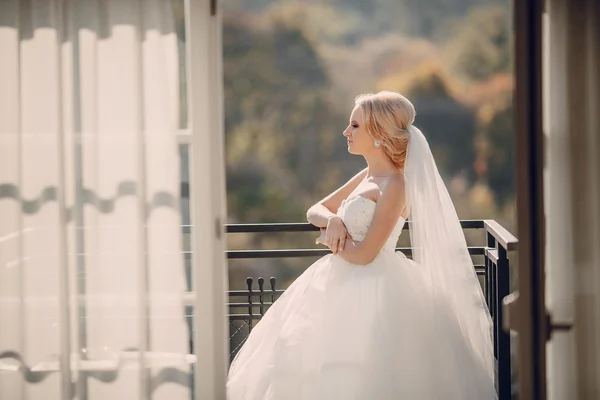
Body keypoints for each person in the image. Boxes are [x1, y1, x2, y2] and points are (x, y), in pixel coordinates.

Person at [227, 91, 496, 399]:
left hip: (377, 287)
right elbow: (316, 208)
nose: (346, 132)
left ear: (378, 133)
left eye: (354, 126)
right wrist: (333, 222)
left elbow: (368, 254)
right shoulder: (368, 174)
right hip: (338, 279)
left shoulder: (395, 184)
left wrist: (333, 244)